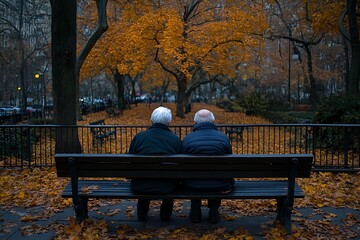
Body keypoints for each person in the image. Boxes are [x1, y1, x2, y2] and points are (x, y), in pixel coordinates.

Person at [129, 106, 182, 221]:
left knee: (145, 177)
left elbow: (131, 161)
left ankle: (142, 213)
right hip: (168, 185)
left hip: (140, 185)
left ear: (151, 121)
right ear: (169, 122)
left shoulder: (139, 138)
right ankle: (165, 214)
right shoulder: (175, 140)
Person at [181, 109, 234, 224]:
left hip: (192, 183)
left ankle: (195, 210)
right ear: (212, 121)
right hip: (220, 183)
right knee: (216, 177)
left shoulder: (188, 139)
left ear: (195, 121)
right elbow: (229, 162)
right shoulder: (223, 138)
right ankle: (214, 211)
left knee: (196, 177)